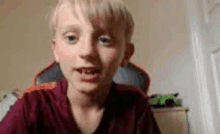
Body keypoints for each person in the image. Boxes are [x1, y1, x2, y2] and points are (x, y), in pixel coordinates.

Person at [0, 0, 161, 133]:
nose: (87, 51)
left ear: (126, 54)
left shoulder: (136, 106)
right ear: (55, 50)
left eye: (104, 40)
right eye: (71, 38)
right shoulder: (31, 106)